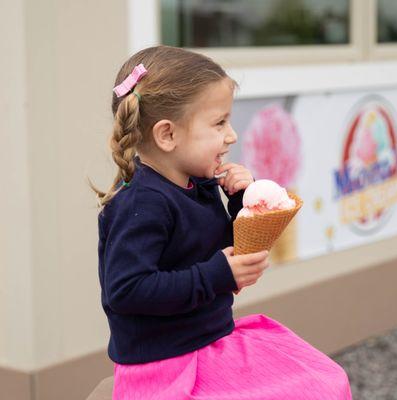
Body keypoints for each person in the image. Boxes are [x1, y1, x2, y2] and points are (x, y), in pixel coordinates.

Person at [91, 45, 352, 399]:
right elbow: (128, 291)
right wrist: (216, 275)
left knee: (326, 380)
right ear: (167, 134)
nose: (232, 135)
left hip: (210, 342)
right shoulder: (141, 203)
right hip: (165, 365)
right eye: (219, 123)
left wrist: (241, 202)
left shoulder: (198, 183)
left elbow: (217, 249)